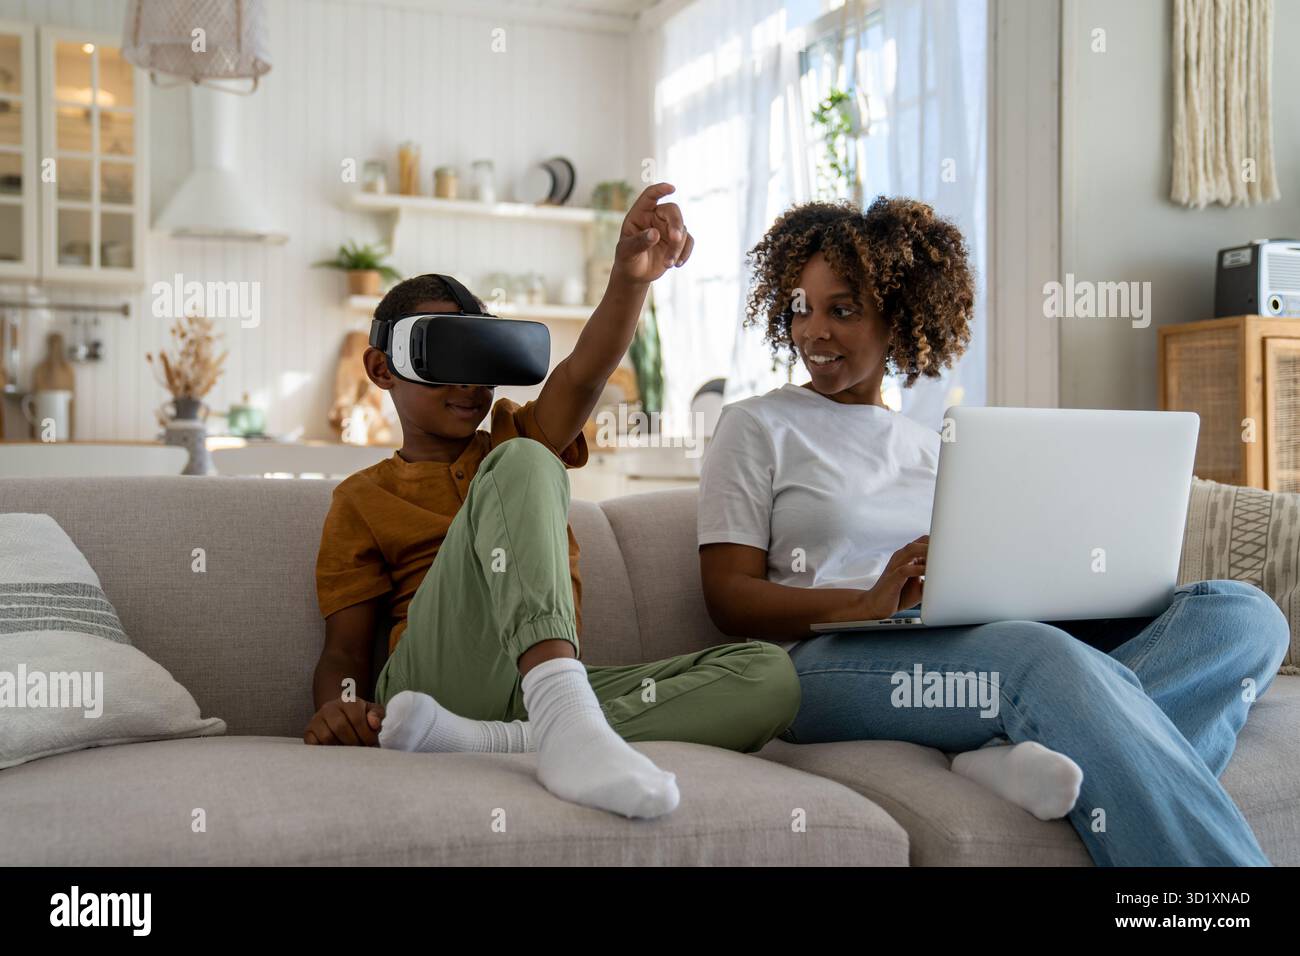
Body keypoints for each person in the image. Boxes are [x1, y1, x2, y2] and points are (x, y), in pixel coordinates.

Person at [697, 196, 1290, 864]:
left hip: (967, 639)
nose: (815, 332)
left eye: (843, 309)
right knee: (1034, 656)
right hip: (825, 664)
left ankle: (1014, 753)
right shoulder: (756, 427)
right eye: (801, 308)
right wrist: (861, 604)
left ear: (899, 316)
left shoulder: (934, 445)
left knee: (1243, 617)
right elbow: (727, 598)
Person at [306, 183, 801, 821]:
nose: (467, 383)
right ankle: (561, 721)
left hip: (530, 689)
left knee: (770, 677)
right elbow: (344, 652)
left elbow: (583, 375)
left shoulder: (513, 436)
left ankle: (516, 737)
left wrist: (631, 280)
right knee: (526, 459)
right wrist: (338, 706)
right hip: (436, 678)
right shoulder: (364, 497)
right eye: (442, 358)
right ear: (381, 368)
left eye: (482, 360)